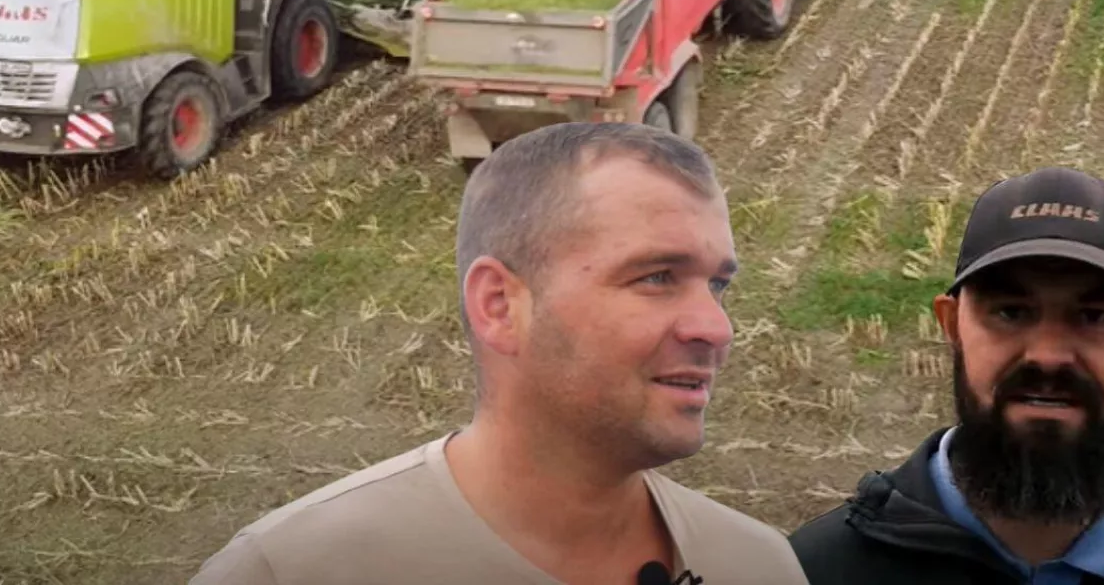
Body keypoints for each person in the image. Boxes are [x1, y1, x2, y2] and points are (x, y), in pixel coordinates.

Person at [189, 121, 809, 585]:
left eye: (718, 284)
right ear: (499, 306)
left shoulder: (759, 567)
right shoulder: (295, 572)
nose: (716, 327)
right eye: (656, 277)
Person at [787, 166, 1104, 583]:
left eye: (1094, 316)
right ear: (952, 324)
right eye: (1011, 312)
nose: (1048, 356)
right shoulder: (808, 575)